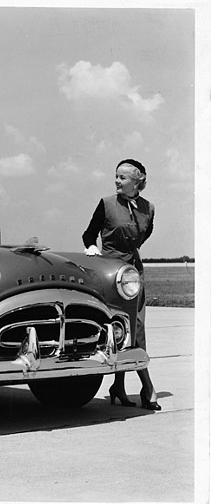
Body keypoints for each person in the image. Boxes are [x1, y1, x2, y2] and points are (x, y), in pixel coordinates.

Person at [82, 159, 160, 410]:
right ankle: (147, 387)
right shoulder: (106, 203)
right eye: (116, 176)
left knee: (136, 327)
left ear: (137, 182)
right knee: (118, 328)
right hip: (109, 272)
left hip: (133, 274)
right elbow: (88, 234)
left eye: (122, 178)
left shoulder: (149, 208)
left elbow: (144, 235)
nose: (117, 181)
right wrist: (93, 249)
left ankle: (119, 385)